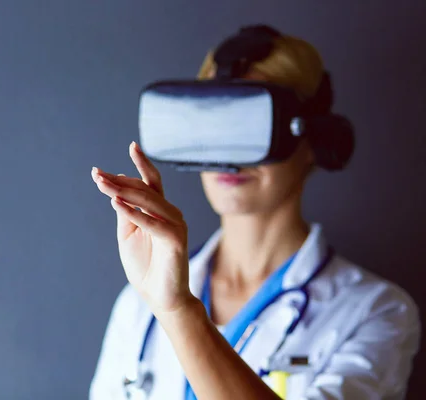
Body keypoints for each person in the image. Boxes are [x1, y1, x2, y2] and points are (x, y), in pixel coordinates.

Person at [88, 24, 421, 399]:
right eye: (213, 125)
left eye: (253, 127)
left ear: (314, 140)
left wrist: (179, 311)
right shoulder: (138, 305)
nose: (229, 158)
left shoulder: (376, 312)